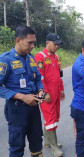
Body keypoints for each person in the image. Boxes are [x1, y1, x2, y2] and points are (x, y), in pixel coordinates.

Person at [0, 25, 45, 157]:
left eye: (34, 43)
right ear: (18, 40)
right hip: (17, 110)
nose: (32, 46)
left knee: (37, 143)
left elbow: (37, 79)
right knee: (17, 147)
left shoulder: (31, 58)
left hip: (33, 108)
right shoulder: (5, 59)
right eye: (29, 42)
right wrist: (21, 97)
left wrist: (41, 90)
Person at [35, 33, 64, 157]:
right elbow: (39, 77)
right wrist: (45, 92)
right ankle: (54, 147)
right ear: (48, 43)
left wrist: (61, 89)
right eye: (55, 44)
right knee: (50, 119)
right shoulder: (40, 56)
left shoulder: (56, 57)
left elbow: (59, 74)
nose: (57, 46)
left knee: (54, 117)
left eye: (58, 44)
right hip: (47, 93)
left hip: (56, 92)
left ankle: (47, 141)